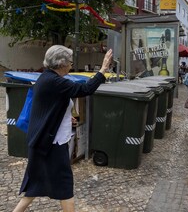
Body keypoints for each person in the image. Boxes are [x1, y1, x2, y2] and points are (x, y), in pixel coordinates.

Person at [13, 45, 113, 212]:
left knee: (36, 184)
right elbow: (85, 89)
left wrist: (66, 119)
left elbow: (51, 107)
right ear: (61, 63)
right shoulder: (54, 81)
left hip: (46, 143)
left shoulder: (48, 78)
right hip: (51, 145)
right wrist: (103, 70)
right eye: (70, 62)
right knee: (64, 186)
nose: (72, 65)